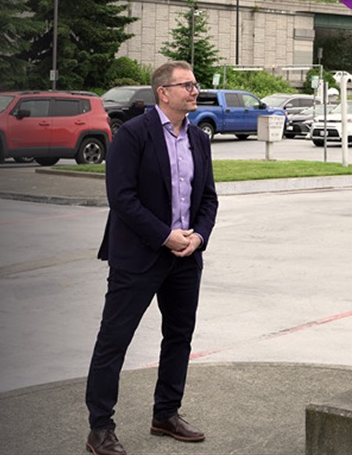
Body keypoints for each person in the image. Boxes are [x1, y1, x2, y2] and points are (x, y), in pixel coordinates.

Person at [84, 61, 219, 455]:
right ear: (164, 92)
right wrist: (165, 236)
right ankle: (100, 428)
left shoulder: (199, 139)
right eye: (187, 86)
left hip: (186, 258)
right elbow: (121, 198)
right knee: (114, 340)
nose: (195, 91)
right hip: (138, 257)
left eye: (195, 85)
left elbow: (208, 197)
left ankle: (166, 415)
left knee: (178, 337)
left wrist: (198, 236)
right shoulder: (133, 134)